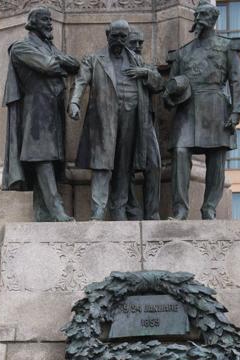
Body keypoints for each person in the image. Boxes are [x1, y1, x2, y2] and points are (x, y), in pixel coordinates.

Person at [68, 19, 162, 220]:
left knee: (124, 167)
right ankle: (98, 211)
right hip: (104, 120)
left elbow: (158, 83)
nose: (119, 40)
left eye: (123, 37)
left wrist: (145, 73)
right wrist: (74, 102)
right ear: (107, 35)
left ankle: (119, 210)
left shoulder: (137, 61)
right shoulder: (95, 59)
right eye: (115, 36)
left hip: (132, 120)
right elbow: (81, 81)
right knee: (102, 166)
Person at [166, 1, 240, 220]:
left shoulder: (227, 46)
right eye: (197, 15)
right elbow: (172, 83)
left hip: (216, 107)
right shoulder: (183, 53)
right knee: (180, 152)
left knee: (216, 157)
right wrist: (170, 96)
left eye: (203, 15)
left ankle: (209, 207)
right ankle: (180, 209)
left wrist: (236, 111)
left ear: (213, 19)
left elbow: (236, 81)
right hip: (187, 108)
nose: (198, 19)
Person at [1, 6, 80, 222]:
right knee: (42, 157)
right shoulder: (21, 48)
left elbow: (74, 64)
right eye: (45, 20)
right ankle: (56, 209)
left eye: (50, 20)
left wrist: (59, 62)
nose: (49, 24)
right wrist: (59, 63)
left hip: (53, 111)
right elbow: (47, 66)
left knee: (51, 159)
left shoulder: (49, 47)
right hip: (35, 112)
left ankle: (44, 212)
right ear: (33, 23)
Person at [125, 26, 162, 220]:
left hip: (145, 121)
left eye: (141, 42)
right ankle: (132, 210)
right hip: (124, 121)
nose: (138, 46)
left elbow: (158, 84)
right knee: (124, 167)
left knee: (154, 164)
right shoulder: (115, 64)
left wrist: (144, 73)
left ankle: (152, 212)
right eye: (134, 42)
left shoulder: (146, 65)